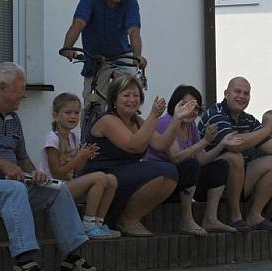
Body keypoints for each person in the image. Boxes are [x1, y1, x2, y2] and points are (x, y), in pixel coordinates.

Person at [0, 62, 105, 271]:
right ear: (2, 88)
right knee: (15, 190)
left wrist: (36, 173)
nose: (25, 94)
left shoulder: (13, 118)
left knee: (57, 189)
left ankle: (72, 259)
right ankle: (23, 263)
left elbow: (22, 158)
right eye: (21, 88)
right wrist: (1, 164)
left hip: (4, 186)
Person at [198, 77, 272, 232]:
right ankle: (235, 217)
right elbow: (236, 144)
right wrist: (267, 129)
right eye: (237, 91)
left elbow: (270, 145)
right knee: (234, 156)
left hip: (238, 183)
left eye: (246, 93)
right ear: (226, 93)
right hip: (207, 183)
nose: (242, 96)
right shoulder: (215, 113)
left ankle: (254, 215)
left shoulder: (248, 119)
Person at [81, 74, 195, 236]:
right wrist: (154, 116)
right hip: (103, 176)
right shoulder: (108, 120)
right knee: (161, 171)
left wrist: (176, 119)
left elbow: (161, 145)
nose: (132, 100)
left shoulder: (138, 121)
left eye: (136, 95)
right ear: (114, 99)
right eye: (126, 95)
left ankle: (130, 218)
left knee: (171, 173)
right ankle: (122, 219)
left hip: (126, 174)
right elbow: (133, 145)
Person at [143, 85, 242, 235]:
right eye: (186, 106)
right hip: (163, 180)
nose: (192, 111)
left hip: (182, 179)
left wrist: (221, 144)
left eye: (195, 108)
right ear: (176, 105)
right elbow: (176, 158)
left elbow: (202, 159)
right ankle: (186, 220)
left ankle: (211, 218)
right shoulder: (166, 122)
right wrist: (205, 141)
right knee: (190, 164)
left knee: (221, 165)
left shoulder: (190, 126)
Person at [60, 0, 147, 126]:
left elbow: (134, 31)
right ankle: (89, 140)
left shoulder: (130, 2)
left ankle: (132, 128)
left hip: (122, 55)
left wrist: (137, 56)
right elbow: (79, 23)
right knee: (92, 103)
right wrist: (68, 47)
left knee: (132, 94)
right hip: (96, 59)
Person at [43, 93, 120, 240]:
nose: (73, 116)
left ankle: (98, 222)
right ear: (55, 116)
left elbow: (77, 170)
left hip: (67, 186)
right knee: (100, 177)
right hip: (52, 190)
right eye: (68, 112)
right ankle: (88, 224)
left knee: (111, 180)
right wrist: (79, 157)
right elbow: (57, 173)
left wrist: (85, 157)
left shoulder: (73, 137)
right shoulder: (52, 138)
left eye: (76, 113)